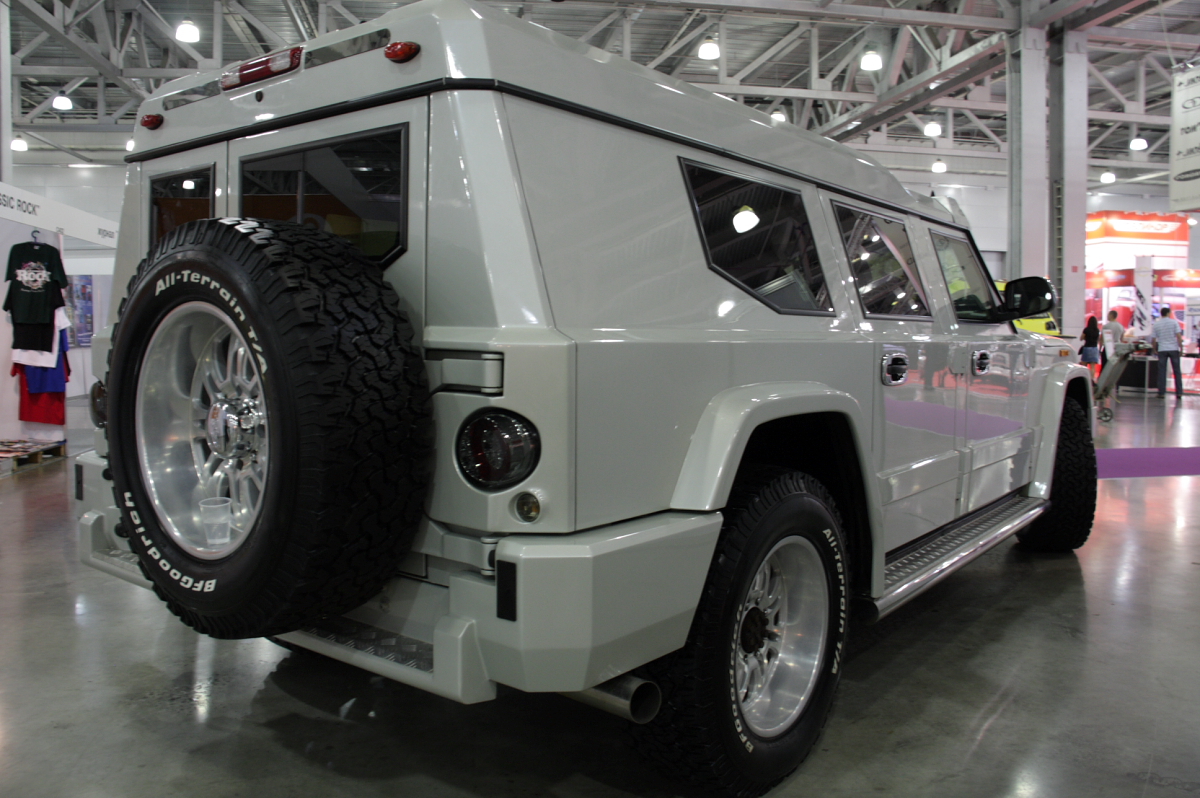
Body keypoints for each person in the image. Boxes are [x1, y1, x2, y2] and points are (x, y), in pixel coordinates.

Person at [1151, 306, 1183, 398]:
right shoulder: (1174, 322)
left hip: (1162, 349)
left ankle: (1161, 392)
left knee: (1162, 371)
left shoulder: (1156, 324)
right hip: (1173, 349)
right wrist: (1181, 348)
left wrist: (1154, 349)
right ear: (1168, 313)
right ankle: (1179, 392)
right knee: (1177, 371)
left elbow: (1154, 339)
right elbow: (1178, 336)